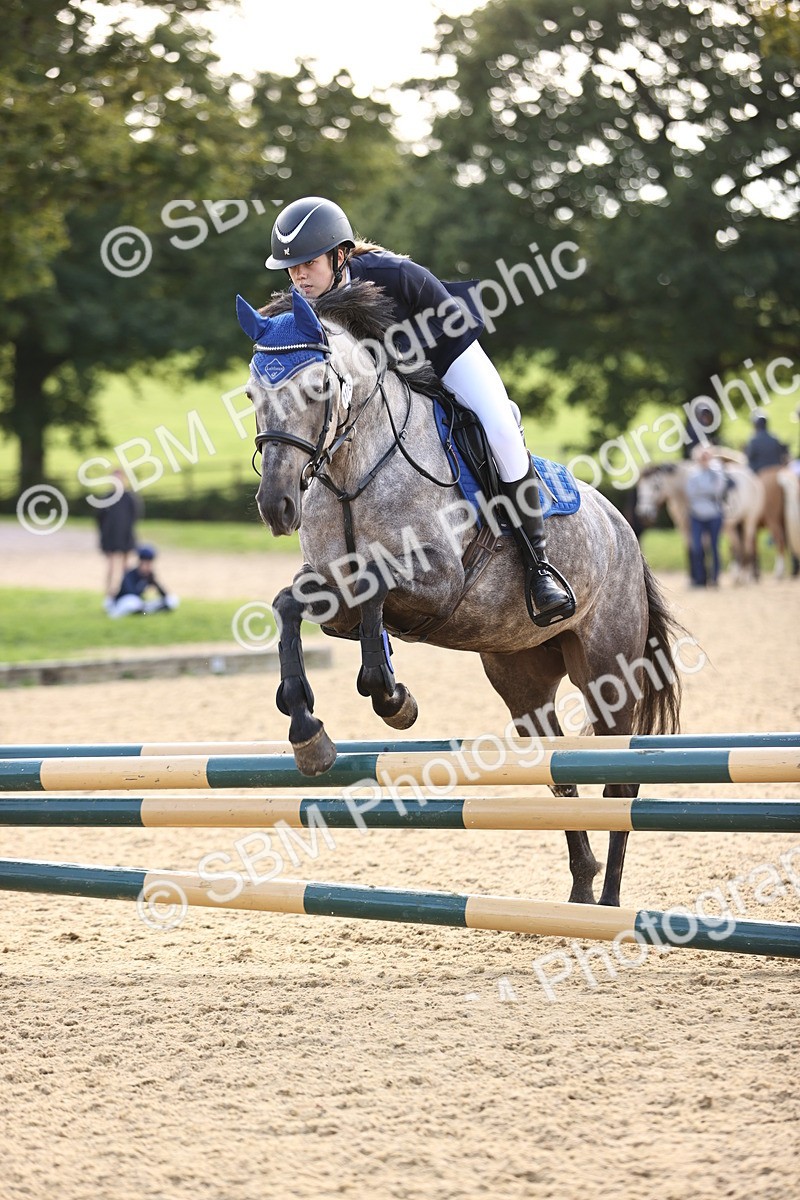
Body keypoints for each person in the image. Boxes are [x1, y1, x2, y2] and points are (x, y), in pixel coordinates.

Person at [263, 195, 573, 626]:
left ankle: (538, 564)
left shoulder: (395, 276)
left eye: (308, 263)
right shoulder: (303, 302)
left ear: (339, 255)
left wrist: (415, 375)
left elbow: (443, 332)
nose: (298, 275)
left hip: (446, 353)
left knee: (500, 428)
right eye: (290, 267)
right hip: (385, 382)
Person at [95, 468, 142, 598]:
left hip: (126, 535)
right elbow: (100, 518)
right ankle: (109, 593)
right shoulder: (106, 498)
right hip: (111, 536)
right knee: (111, 565)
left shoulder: (130, 498)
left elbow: (135, 516)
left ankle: (125, 590)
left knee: (125, 566)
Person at [685, 446, 727, 587]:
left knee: (714, 547)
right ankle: (699, 579)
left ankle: (714, 578)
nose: (704, 460)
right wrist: (707, 491)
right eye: (702, 457)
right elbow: (691, 493)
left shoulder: (717, 474)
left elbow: (718, 490)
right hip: (697, 515)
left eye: (706, 457)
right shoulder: (693, 475)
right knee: (697, 548)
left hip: (714, 515)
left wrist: (702, 491)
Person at [104, 545, 179, 618]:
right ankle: (143, 612)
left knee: (172, 599)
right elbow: (131, 593)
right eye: (146, 563)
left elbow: (164, 595)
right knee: (133, 601)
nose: (148, 566)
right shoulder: (130, 574)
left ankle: (145, 612)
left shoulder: (149, 576)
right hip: (124, 603)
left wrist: (154, 582)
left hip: (140, 604)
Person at [744, 410, 789, 475]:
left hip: (760, 471)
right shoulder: (775, 438)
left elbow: (750, 457)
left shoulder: (753, 440)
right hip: (776, 469)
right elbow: (781, 455)